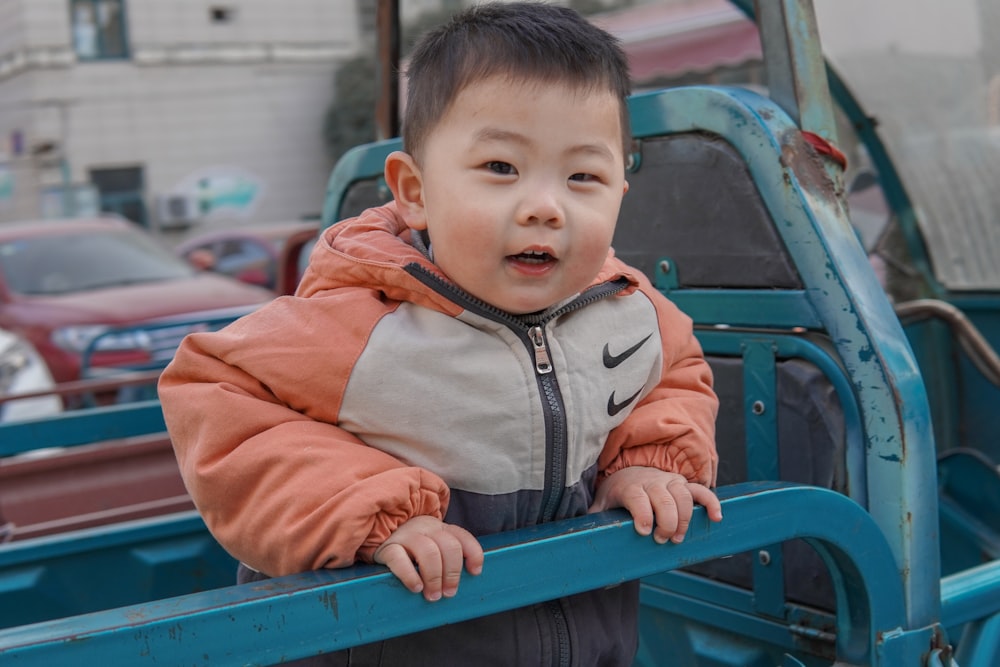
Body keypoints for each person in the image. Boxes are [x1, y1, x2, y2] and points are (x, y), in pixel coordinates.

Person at [159, 2, 721, 664]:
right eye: (501, 169)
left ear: (620, 192)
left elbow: (673, 374)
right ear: (416, 191)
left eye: (583, 177)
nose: (545, 205)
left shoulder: (629, 308)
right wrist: (374, 511)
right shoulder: (363, 320)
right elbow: (214, 395)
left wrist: (648, 462)